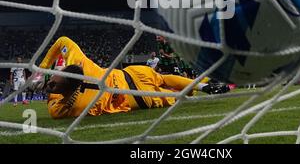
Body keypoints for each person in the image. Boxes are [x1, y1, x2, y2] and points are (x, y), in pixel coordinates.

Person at [35, 37, 229, 119]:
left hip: (133, 86)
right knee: (168, 86)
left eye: (52, 81)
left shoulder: (73, 101)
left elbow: (62, 41)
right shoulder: (78, 67)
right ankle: (205, 86)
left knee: (166, 84)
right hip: (133, 85)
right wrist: (42, 70)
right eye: (52, 81)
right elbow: (63, 42)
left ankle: (205, 86)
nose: (50, 83)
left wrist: (42, 71)